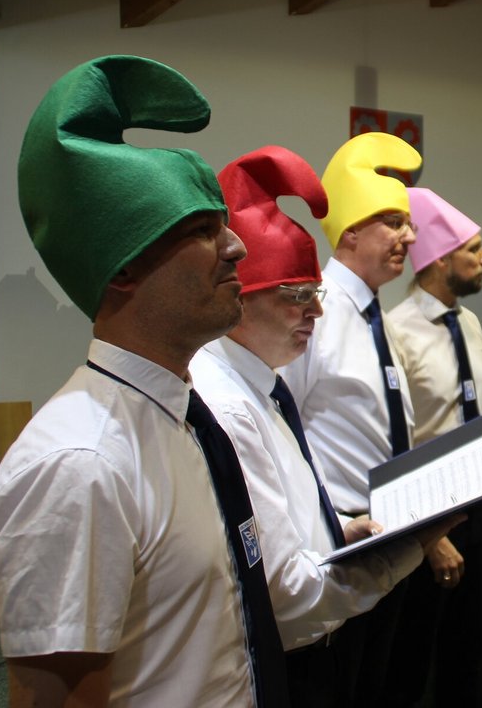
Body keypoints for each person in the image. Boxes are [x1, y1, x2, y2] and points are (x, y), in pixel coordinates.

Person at [0, 56, 286, 706]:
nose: (236, 247)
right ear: (122, 268)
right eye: (203, 230)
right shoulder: (80, 464)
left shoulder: (182, 418)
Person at [189, 147, 459, 706]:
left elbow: (288, 494)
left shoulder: (263, 383)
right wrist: (403, 551)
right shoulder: (232, 403)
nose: (316, 310)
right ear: (238, 299)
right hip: (300, 625)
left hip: (342, 548)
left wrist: (336, 527)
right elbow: (283, 588)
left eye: (314, 295)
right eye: (298, 296)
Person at [281, 131, 421, 706]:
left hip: (389, 534)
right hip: (341, 541)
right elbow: (280, 429)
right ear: (351, 232)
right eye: (393, 222)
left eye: (408, 224)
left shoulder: (373, 315)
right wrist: (328, 524)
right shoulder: (313, 311)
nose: (409, 236)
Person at [384, 188, 482, 707]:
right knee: (413, 657)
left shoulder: (468, 323)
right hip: (428, 512)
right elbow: (397, 443)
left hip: (480, 504)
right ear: (440, 260)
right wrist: (428, 539)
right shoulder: (397, 332)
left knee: (465, 647)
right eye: (474, 249)